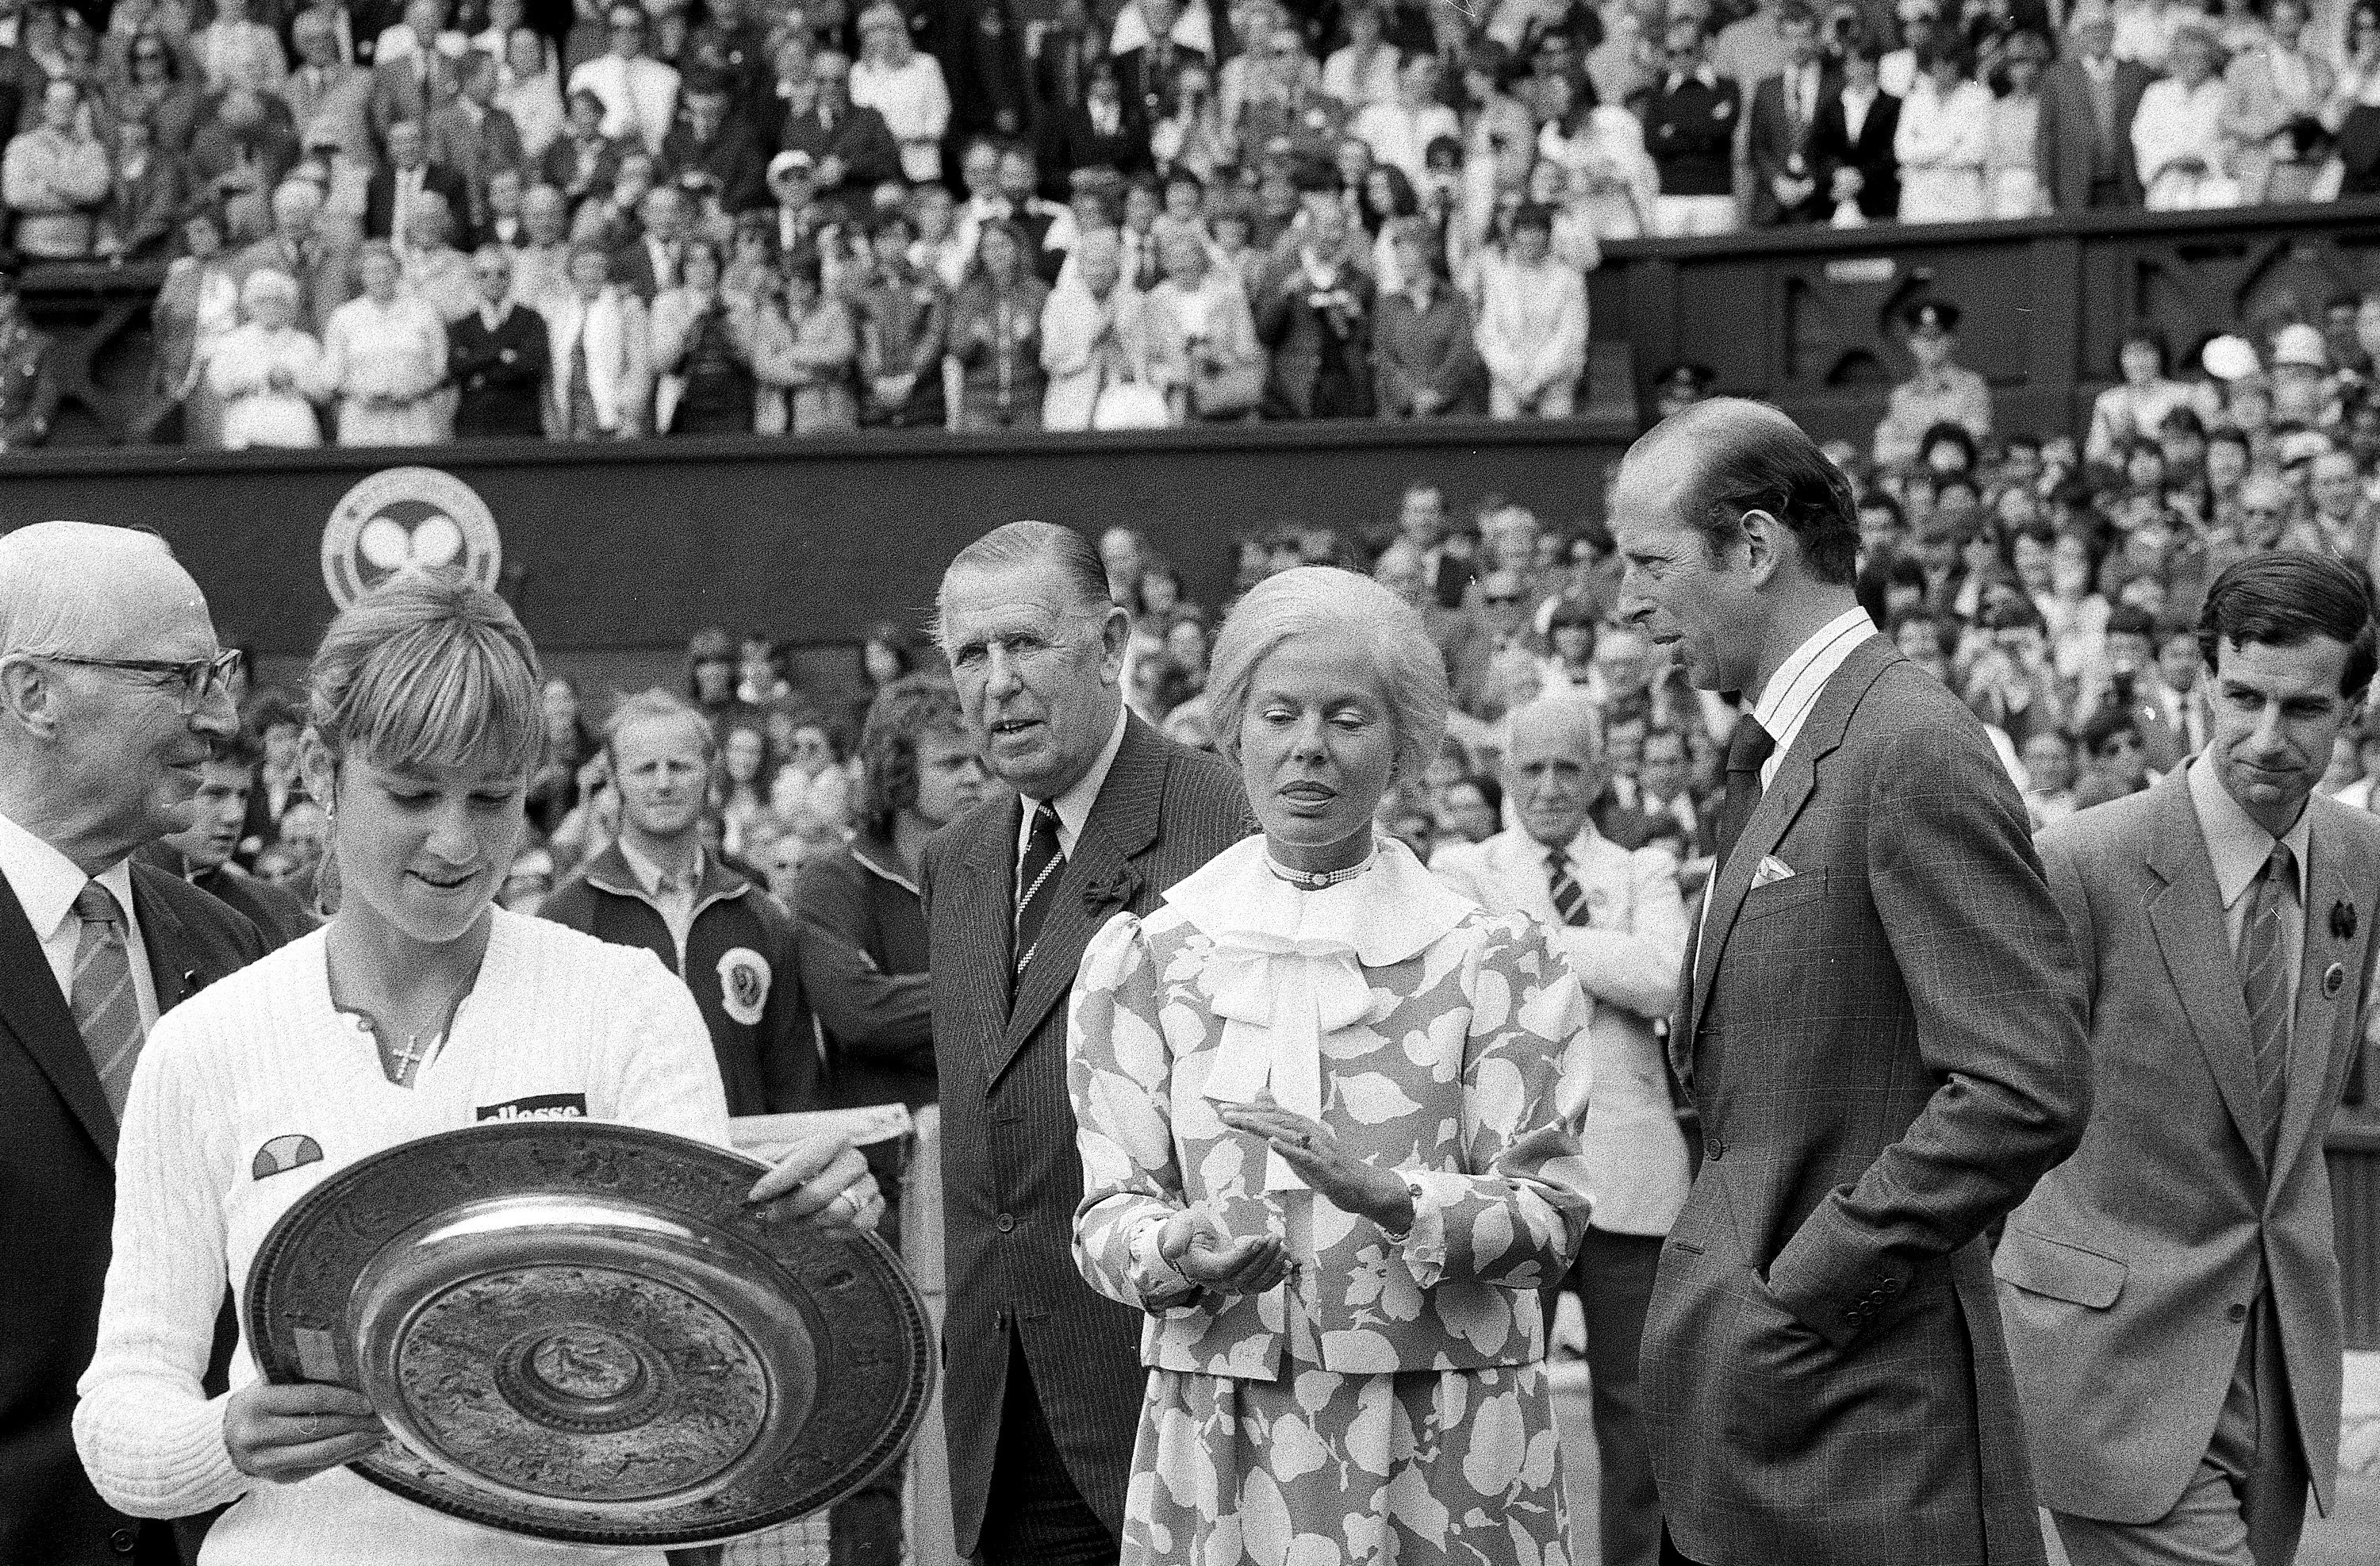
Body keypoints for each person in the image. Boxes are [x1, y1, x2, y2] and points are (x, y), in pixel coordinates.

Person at [73, 572, 878, 1566]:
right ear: (324, 774)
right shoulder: (204, 1045)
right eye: (410, 795)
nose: (455, 842)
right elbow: (120, 1410)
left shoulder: (625, 1004)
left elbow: (705, 1359)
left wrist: (806, 1253)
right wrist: (225, 1439)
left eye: (492, 797)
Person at [1612, 399, 2091, 1566]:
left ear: (1759, 548)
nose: (1627, 605)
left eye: (1650, 564)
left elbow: (2025, 1085)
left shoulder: (1907, 743)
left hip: (1864, 1442)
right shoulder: (1792, 747)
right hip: (1771, 1435)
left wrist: (1807, 1290)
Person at [1068, 564, 1594, 1566]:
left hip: (1448, 1438)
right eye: (1280, 713)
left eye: (1348, 718)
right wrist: (1179, 1249)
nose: (1309, 747)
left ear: (1405, 744)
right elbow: (1105, 1219)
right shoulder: (1149, 960)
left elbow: (1549, 1220)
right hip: (1223, 1431)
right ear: (1234, 731)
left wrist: (1393, 1197)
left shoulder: (1495, 958)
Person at [2004, 553, 2380, 1566]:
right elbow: (1988, 1093)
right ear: (2203, 680)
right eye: (2241, 697)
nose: (2267, 737)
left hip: (2276, 1363)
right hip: (2109, 1362)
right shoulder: (2080, 862)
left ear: (2353, 705)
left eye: (2303, 708)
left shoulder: (2359, 858)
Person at [919, 520, 1250, 1566]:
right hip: (1002, 1407)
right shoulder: (959, 858)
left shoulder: (1226, 825)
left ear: (1112, 645)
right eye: (971, 654)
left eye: (1026, 644)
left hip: (1181, 1399)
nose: (997, 682)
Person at [0, 523, 266, 1566]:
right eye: (177, 677)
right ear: (32, 694)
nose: (222, 715)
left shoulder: (232, 944)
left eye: (221, 674)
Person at [1428, 689, 1691, 1566]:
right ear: (1504, 771)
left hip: (1634, 1180)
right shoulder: (1460, 866)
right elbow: (1470, 973)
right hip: (1507, 1178)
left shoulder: (1642, 869)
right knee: (1490, 1409)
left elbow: (1667, 980)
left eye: (1568, 767)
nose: (1548, 786)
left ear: (1601, 774)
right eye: (1531, 767)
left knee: (1640, 1416)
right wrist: (1594, 954)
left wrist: (1529, 937)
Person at [793, 676, 987, 1566]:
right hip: (872, 1187)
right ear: (897, 773)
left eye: (984, 759)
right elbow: (854, 1011)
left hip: (985, 1175)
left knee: (984, 1406)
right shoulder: (835, 877)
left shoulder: (1008, 863)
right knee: (874, 1417)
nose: (979, 778)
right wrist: (996, 996)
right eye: (955, 762)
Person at [539, 688, 816, 1118]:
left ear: (709, 772)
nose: (664, 782)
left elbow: (795, 1085)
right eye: (646, 769)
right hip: (616, 1176)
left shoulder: (762, 917)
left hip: (743, 1175)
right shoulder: (564, 920)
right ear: (614, 779)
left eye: (680, 766)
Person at [135, 735, 319, 950]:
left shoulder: (275, 908)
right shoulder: (116, 900)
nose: (235, 815)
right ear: (161, 792)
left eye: (242, 796)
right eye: (214, 794)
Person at [1872, 297, 1994, 471]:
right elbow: (1882, 452)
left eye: (1937, 336)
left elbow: (1976, 438)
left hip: (1958, 478)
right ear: (1911, 343)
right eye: (1922, 337)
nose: (1930, 344)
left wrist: (1912, 447)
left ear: (1952, 341)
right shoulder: (1901, 395)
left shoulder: (1972, 386)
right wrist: (1934, 449)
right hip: (1916, 479)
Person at [449, 244, 549, 438]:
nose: (493, 281)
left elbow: (533, 367)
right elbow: (457, 369)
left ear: (510, 277)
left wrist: (478, 363)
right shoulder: (461, 325)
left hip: (522, 427)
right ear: (474, 280)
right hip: (473, 428)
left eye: (500, 274)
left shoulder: (531, 319)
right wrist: (504, 354)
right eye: (484, 275)